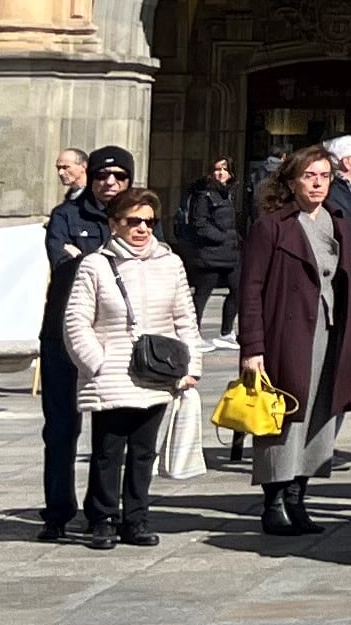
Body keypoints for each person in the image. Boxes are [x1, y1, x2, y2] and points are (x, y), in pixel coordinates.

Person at [235, 143, 351, 536]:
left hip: (331, 330)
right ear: (291, 181)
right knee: (285, 415)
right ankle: (273, 501)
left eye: (324, 176)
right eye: (309, 176)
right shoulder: (271, 226)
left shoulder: (337, 221)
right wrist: (252, 347)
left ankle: (298, 496)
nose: (317, 184)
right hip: (288, 334)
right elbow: (251, 289)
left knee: (321, 413)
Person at [58, 184, 200, 550]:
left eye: (149, 222)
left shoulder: (170, 263)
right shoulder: (95, 264)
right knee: (108, 450)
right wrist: (97, 364)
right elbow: (76, 321)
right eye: (133, 221)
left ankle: (136, 518)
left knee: (143, 451)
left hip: (158, 371)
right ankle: (102, 517)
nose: (142, 229)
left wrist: (191, 365)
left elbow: (185, 318)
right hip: (114, 371)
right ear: (114, 224)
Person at [35, 147, 130, 541]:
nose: (110, 184)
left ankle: (102, 513)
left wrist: (85, 256)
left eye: (119, 177)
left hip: (112, 338)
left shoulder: (135, 216)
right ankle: (57, 511)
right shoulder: (66, 215)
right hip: (62, 334)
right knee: (60, 428)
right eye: (102, 177)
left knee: (110, 430)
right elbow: (63, 260)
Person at [176, 156, 239, 333]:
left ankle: (226, 332)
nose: (221, 173)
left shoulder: (228, 194)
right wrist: (221, 237)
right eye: (217, 169)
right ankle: (193, 333)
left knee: (238, 290)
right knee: (202, 294)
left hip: (230, 253)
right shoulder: (204, 195)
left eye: (224, 169)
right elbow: (200, 224)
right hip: (211, 254)